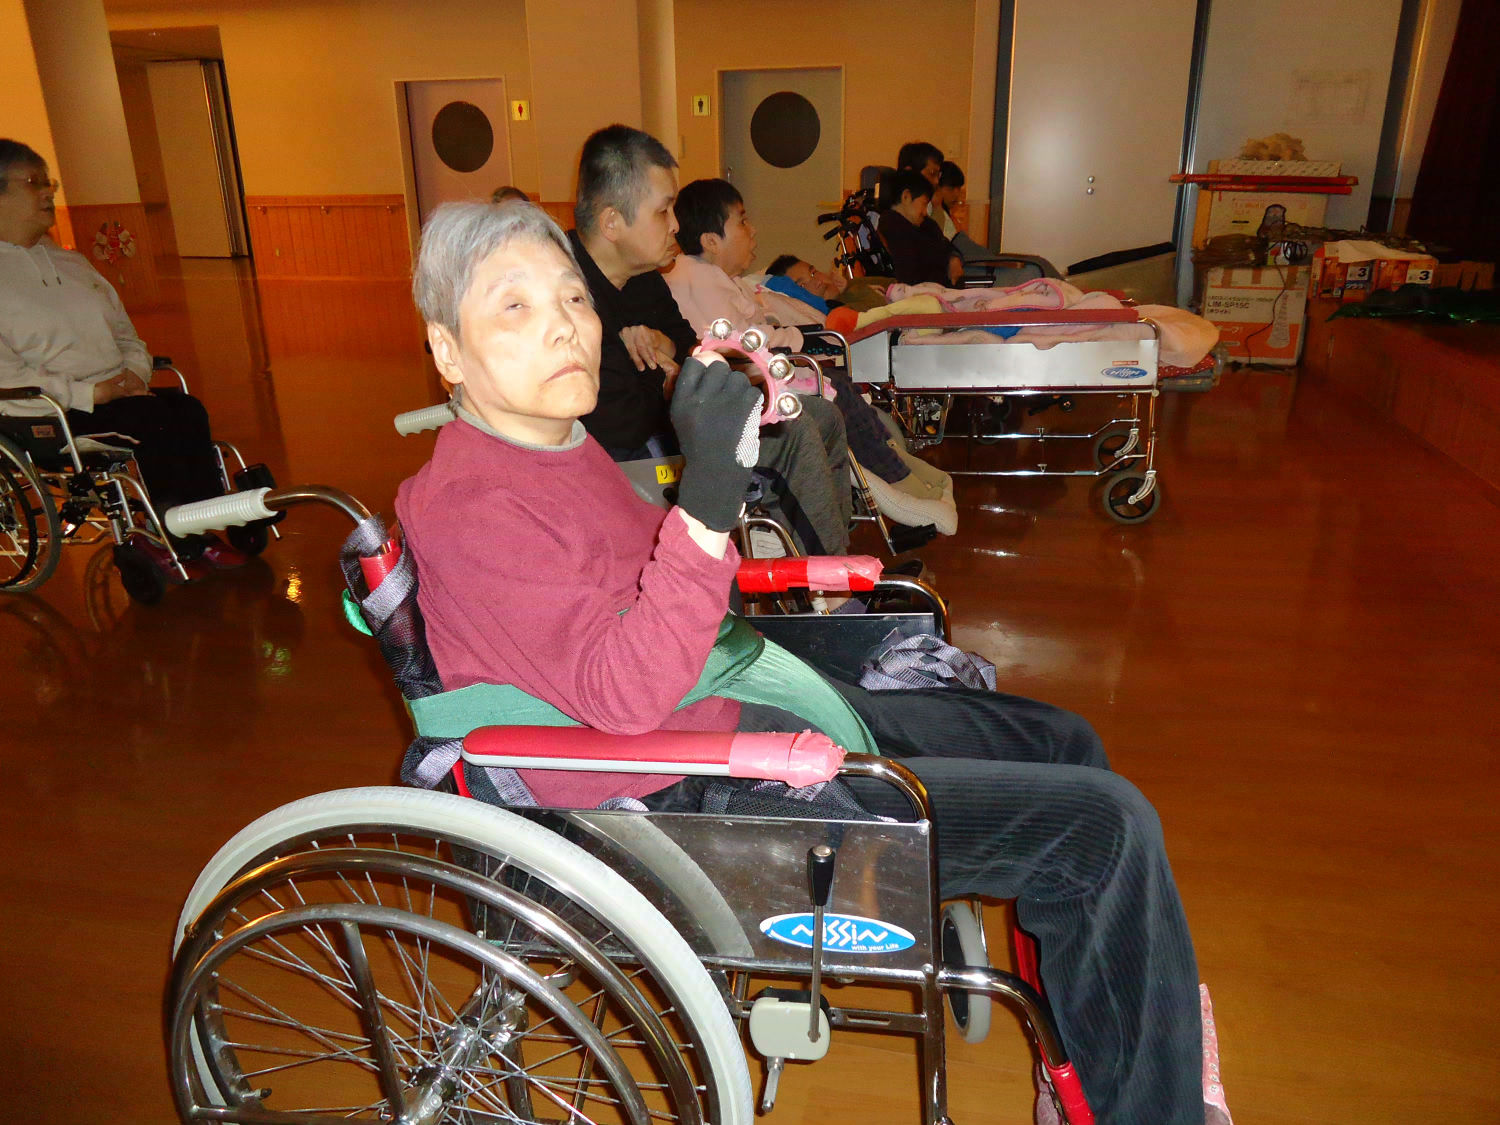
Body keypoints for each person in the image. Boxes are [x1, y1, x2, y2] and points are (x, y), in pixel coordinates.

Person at [397, 199, 1215, 1125]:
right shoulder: (470, 503)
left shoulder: (558, 444)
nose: (562, 326)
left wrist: (715, 486)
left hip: (732, 705)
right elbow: (624, 692)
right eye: (514, 306)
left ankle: (1088, 1070)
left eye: (572, 298)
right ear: (448, 350)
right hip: (675, 794)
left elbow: (671, 593)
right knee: (1106, 831)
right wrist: (707, 497)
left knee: (1067, 742)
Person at [568, 125, 850, 554]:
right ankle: (829, 584)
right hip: (624, 462)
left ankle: (826, 559)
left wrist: (666, 352)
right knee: (790, 435)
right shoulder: (567, 294)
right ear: (612, 222)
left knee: (822, 415)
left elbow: (694, 350)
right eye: (663, 212)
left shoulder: (642, 277)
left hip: (667, 425)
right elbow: (624, 424)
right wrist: (676, 378)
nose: (676, 225)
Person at [0, 139, 240, 570]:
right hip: (50, 412)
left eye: (49, 182)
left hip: (120, 394)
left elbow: (127, 335)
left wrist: (134, 373)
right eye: (34, 182)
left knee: (187, 410)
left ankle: (204, 525)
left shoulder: (71, 263)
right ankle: (178, 536)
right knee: (152, 425)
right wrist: (93, 393)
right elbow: (7, 377)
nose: (48, 192)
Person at [668, 180, 951, 513]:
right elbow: (742, 342)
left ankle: (897, 465)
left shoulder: (721, 280)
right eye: (742, 221)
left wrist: (793, 336)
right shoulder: (699, 279)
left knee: (837, 383)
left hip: (758, 376)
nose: (752, 230)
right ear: (711, 241)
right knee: (835, 389)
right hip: (744, 391)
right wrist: (798, 338)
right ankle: (898, 477)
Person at [879, 169, 963, 286]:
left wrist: (953, 258)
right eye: (924, 204)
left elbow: (946, 245)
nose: (925, 212)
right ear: (906, 197)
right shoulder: (892, 226)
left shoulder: (925, 224)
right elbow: (909, 276)